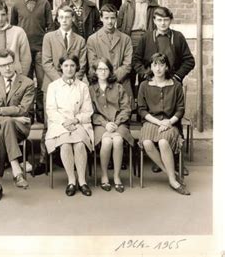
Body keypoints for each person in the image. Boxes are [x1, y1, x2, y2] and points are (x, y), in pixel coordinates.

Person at [133, 6, 195, 175]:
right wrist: (146, 75)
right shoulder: (147, 38)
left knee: (174, 122)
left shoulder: (178, 37)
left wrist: (177, 77)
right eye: (159, 20)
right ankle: (159, 160)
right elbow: (136, 60)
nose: (162, 23)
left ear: (170, 20)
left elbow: (189, 61)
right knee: (154, 122)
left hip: (171, 84)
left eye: (166, 20)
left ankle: (176, 162)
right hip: (152, 84)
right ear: (154, 21)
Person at [33, 4, 87, 176]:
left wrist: (71, 80)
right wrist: (61, 81)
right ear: (57, 19)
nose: (64, 20)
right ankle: (45, 158)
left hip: (74, 86)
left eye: (68, 17)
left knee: (71, 119)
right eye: (61, 17)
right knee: (50, 122)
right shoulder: (49, 37)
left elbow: (82, 65)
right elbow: (46, 62)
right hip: (52, 85)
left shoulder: (80, 40)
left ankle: (67, 157)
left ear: (73, 19)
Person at [0, 49, 35, 203]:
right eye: (3, 65)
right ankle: (16, 169)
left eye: (10, 63)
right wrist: (16, 118)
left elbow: (23, 109)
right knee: (5, 124)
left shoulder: (27, 83)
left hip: (19, 129)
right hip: (1, 124)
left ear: (15, 63)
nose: (7, 68)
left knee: (1, 134)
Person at [137, 53, 190, 195]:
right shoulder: (144, 85)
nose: (158, 68)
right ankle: (170, 173)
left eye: (161, 64)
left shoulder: (176, 85)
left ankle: (173, 180)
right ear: (151, 67)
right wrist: (158, 122)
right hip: (151, 122)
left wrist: (168, 122)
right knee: (147, 142)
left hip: (170, 123)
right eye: (155, 65)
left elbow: (180, 109)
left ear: (166, 67)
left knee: (163, 142)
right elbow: (141, 110)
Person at [45, 54, 94, 197]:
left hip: (79, 122)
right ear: (61, 67)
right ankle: (71, 181)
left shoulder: (83, 87)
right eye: (66, 65)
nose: (69, 69)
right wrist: (64, 122)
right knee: (65, 144)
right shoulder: (53, 86)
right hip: (59, 124)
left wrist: (75, 120)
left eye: (72, 65)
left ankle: (82, 181)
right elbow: (51, 110)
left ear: (77, 67)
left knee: (79, 144)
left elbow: (87, 110)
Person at [11, 0, 54, 123]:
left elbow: (51, 26)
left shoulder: (44, 4)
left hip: (41, 49)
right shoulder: (17, 5)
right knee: (25, 82)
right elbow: (13, 28)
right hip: (23, 51)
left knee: (42, 82)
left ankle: (42, 114)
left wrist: (47, 45)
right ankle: (27, 113)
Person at [88, 57, 133, 193]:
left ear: (110, 71)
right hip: (100, 125)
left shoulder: (119, 87)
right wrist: (105, 123)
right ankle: (104, 175)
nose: (103, 72)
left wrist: (116, 122)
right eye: (100, 69)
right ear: (95, 72)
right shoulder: (90, 90)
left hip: (119, 123)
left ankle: (117, 176)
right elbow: (91, 112)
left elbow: (126, 108)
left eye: (106, 69)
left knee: (118, 140)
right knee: (107, 141)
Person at [117, 0, 159, 99]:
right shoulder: (127, 5)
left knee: (144, 73)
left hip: (147, 40)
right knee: (129, 73)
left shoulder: (154, 6)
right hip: (130, 40)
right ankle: (129, 107)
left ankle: (142, 108)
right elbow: (119, 25)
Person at [87, 4, 134, 102]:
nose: (109, 21)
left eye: (112, 18)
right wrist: (104, 77)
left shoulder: (125, 39)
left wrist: (113, 77)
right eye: (106, 18)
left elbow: (127, 64)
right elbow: (93, 63)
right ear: (101, 18)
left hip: (121, 82)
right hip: (101, 84)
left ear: (116, 18)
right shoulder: (92, 39)